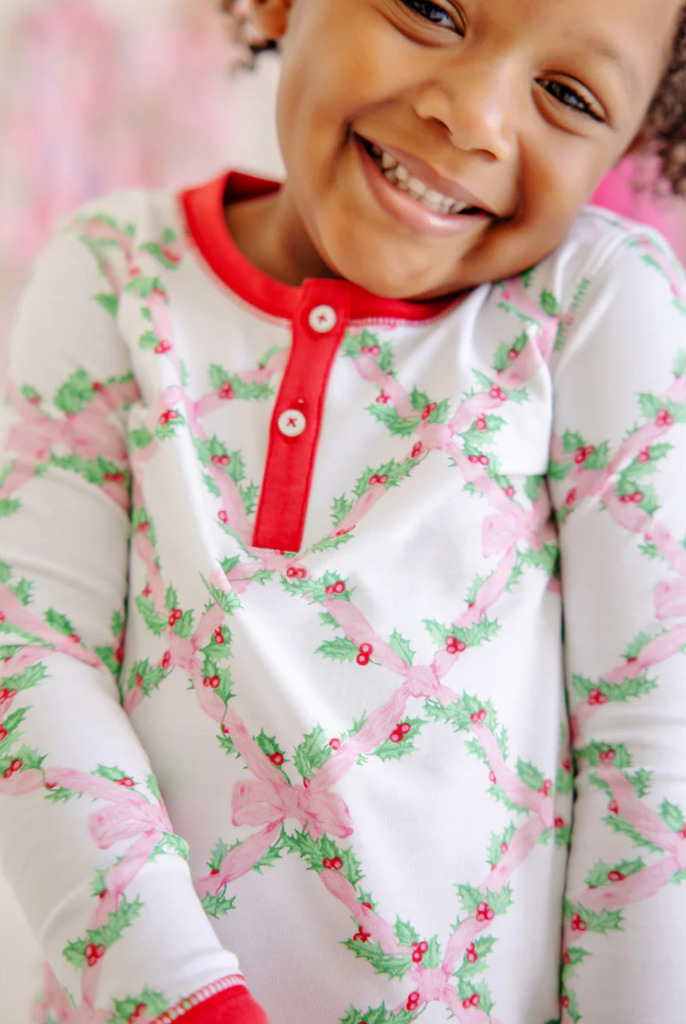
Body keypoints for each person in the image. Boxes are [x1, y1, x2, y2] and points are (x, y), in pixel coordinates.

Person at [1, 1, 686, 1022]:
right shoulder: (113, 270)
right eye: (431, 9)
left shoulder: (594, 302)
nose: (474, 117)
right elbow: (32, 655)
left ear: (625, 144)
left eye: (567, 94)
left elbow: (649, 744)